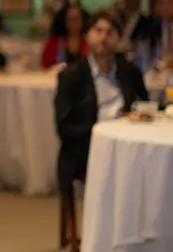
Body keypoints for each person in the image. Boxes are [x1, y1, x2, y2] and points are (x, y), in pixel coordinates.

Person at [54, 11, 148, 191]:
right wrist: (102, 132)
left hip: (127, 147)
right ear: (87, 36)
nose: (103, 37)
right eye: (98, 31)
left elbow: (145, 107)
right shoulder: (71, 76)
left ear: (119, 39)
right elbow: (64, 127)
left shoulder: (130, 72)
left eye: (110, 32)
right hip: (87, 151)